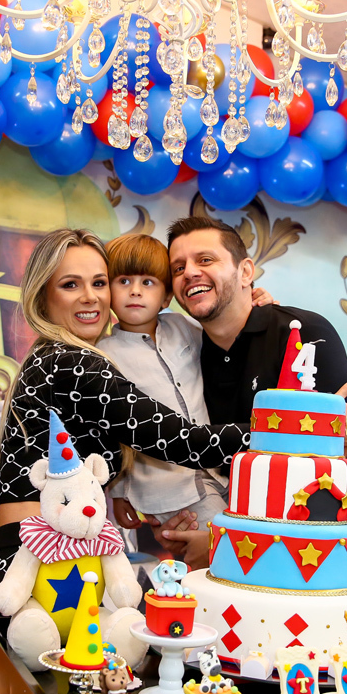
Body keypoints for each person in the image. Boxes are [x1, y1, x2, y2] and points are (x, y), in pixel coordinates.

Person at [0, 228, 253, 649]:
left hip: (64, 567)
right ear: (42, 297)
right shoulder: (71, 363)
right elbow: (180, 440)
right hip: (36, 578)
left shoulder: (51, 358)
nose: (91, 298)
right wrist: (286, 428)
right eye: (71, 285)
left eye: (99, 283)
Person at [129, 216, 347, 574]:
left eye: (205, 259)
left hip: (320, 568)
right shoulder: (189, 352)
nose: (189, 272)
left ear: (245, 272)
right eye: (178, 268)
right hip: (228, 574)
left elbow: (323, 466)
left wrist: (221, 542)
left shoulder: (302, 334)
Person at [97, 234, 231, 567]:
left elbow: (225, 335)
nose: (135, 291)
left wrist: (256, 302)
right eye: (123, 281)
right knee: (225, 556)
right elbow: (113, 431)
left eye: (147, 282)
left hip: (218, 470)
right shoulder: (105, 354)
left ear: (167, 295)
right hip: (166, 487)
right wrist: (119, 492)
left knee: (236, 544)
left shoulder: (183, 327)